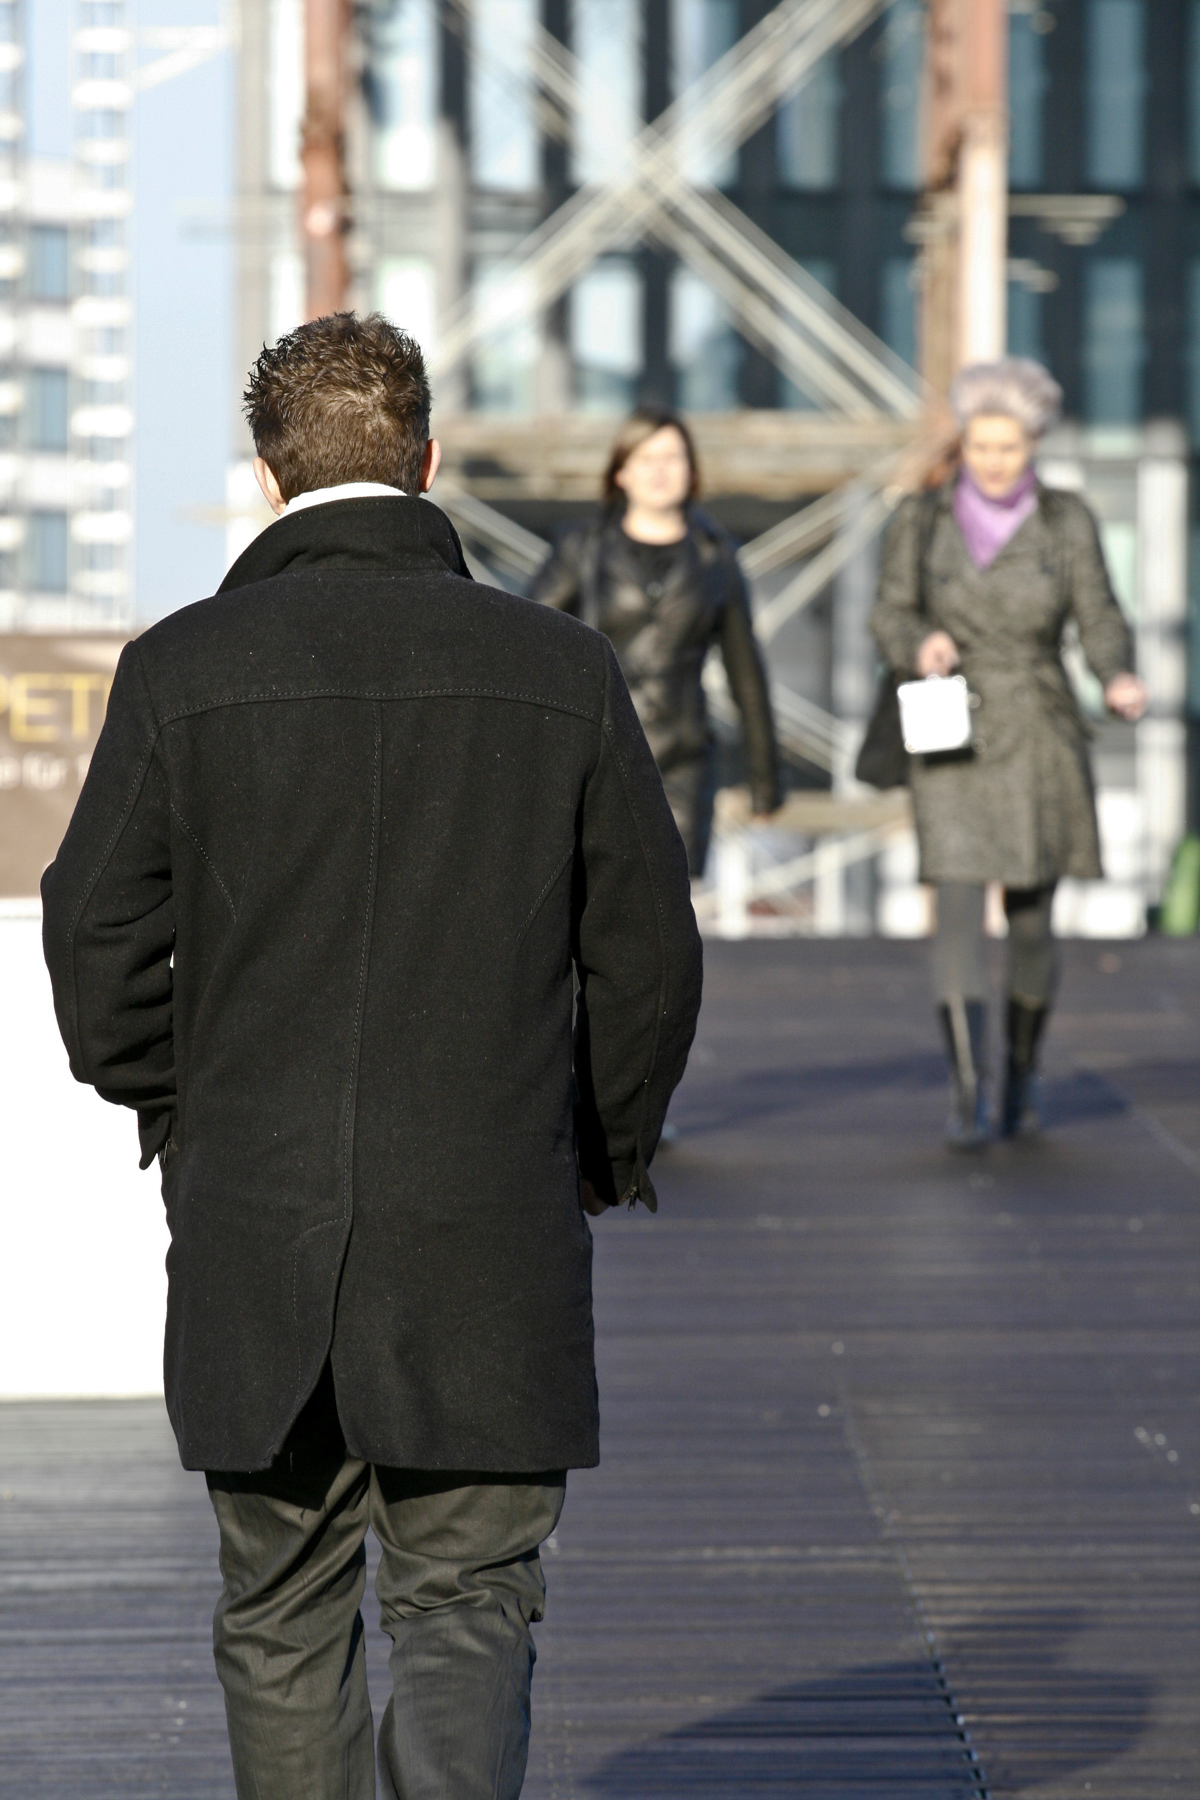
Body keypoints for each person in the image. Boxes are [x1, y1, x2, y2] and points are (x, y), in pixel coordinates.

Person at [40, 313, 703, 1800]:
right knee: (469, 1603)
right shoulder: (564, 668)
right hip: (489, 1218)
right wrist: (597, 1149)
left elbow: (92, 937)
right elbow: (650, 958)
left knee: (281, 1606)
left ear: (267, 478)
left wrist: (183, 1105)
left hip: (256, 1219)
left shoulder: (178, 669)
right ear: (429, 461)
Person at [870, 357, 1145, 1147]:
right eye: (981, 446)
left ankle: (1022, 1073)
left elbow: (1099, 613)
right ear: (964, 443)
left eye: (1010, 447)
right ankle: (968, 1089)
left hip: (1039, 729)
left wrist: (1115, 675)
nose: (994, 461)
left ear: (1034, 445)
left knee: (1030, 918)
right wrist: (918, 641)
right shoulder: (921, 519)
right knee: (956, 908)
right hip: (949, 727)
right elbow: (889, 611)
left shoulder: (1067, 520)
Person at [530, 408, 781, 877]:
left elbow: (746, 672)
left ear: (692, 471)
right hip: (595, 755)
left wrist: (765, 783)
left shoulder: (716, 557)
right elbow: (528, 641)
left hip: (681, 764)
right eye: (646, 458)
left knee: (673, 906)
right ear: (620, 472)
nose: (660, 470)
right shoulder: (581, 548)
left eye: (673, 457)